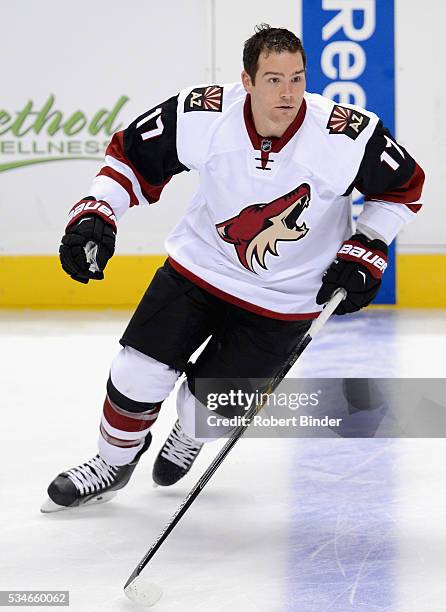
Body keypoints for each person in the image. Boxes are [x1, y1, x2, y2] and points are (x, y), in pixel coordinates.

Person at [41, 24, 424, 512]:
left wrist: (366, 245)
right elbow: (132, 158)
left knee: (208, 411)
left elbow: (404, 189)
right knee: (137, 374)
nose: (288, 94)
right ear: (246, 80)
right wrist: (98, 210)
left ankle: (189, 430)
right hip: (200, 268)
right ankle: (111, 463)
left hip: (286, 299)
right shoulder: (206, 113)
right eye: (273, 80)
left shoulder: (345, 134)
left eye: (297, 78)